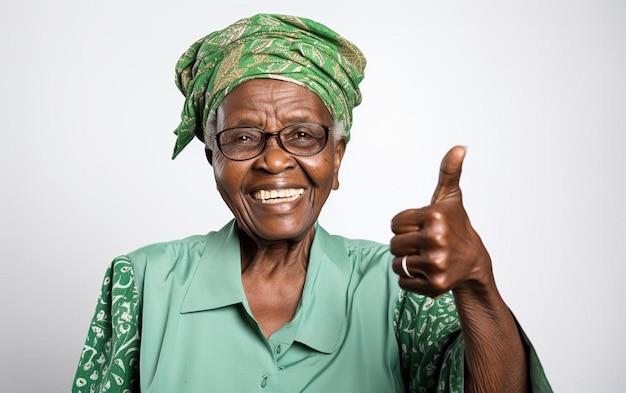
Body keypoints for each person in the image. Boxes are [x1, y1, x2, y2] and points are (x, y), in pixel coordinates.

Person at [72, 13, 552, 393]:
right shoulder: (139, 285)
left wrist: (477, 285)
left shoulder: (401, 287)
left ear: (336, 157)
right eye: (242, 138)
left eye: (303, 135)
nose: (275, 160)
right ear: (213, 158)